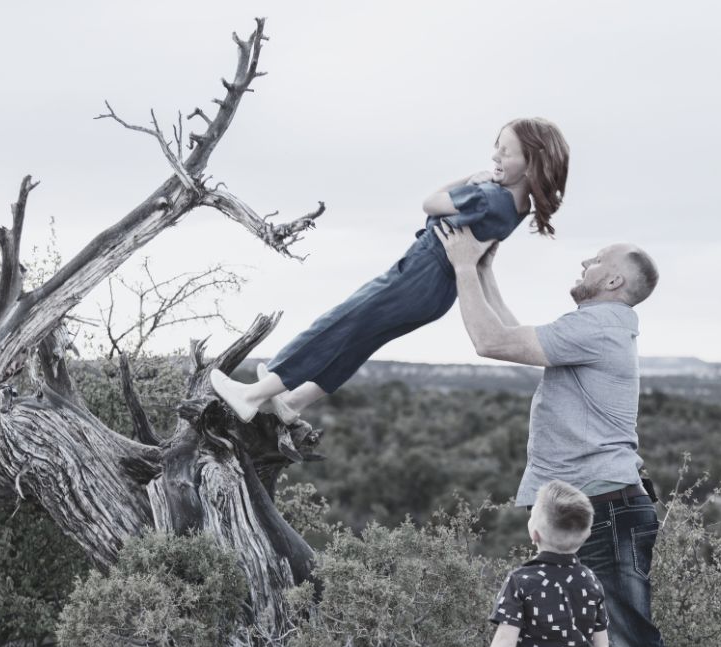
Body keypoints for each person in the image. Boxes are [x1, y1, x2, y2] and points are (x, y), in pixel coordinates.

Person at [437, 225, 711, 647]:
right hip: (605, 509)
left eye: (595, 259)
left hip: (602, 515)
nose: (584, 262)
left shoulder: (598, 327)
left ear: (611, 279)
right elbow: (518, 334)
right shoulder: (602, 328)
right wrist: (485, 269)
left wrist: (460, 266)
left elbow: (491, 341)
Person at [209, 117, 569, 423]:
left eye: (504, 151)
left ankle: (254, 395)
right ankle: (292, 402)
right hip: (439, 293)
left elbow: (429, 202)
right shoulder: (519, 207)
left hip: (418, 273)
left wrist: (468, 179)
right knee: (362, 339)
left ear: (531, 161)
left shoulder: (488, 195)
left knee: (339, 324)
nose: (494, 156)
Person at [474, 480, 611, 647]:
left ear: (534, 533)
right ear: (586, 535)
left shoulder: (521, 580)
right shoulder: (591, 582)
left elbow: (504, 641)